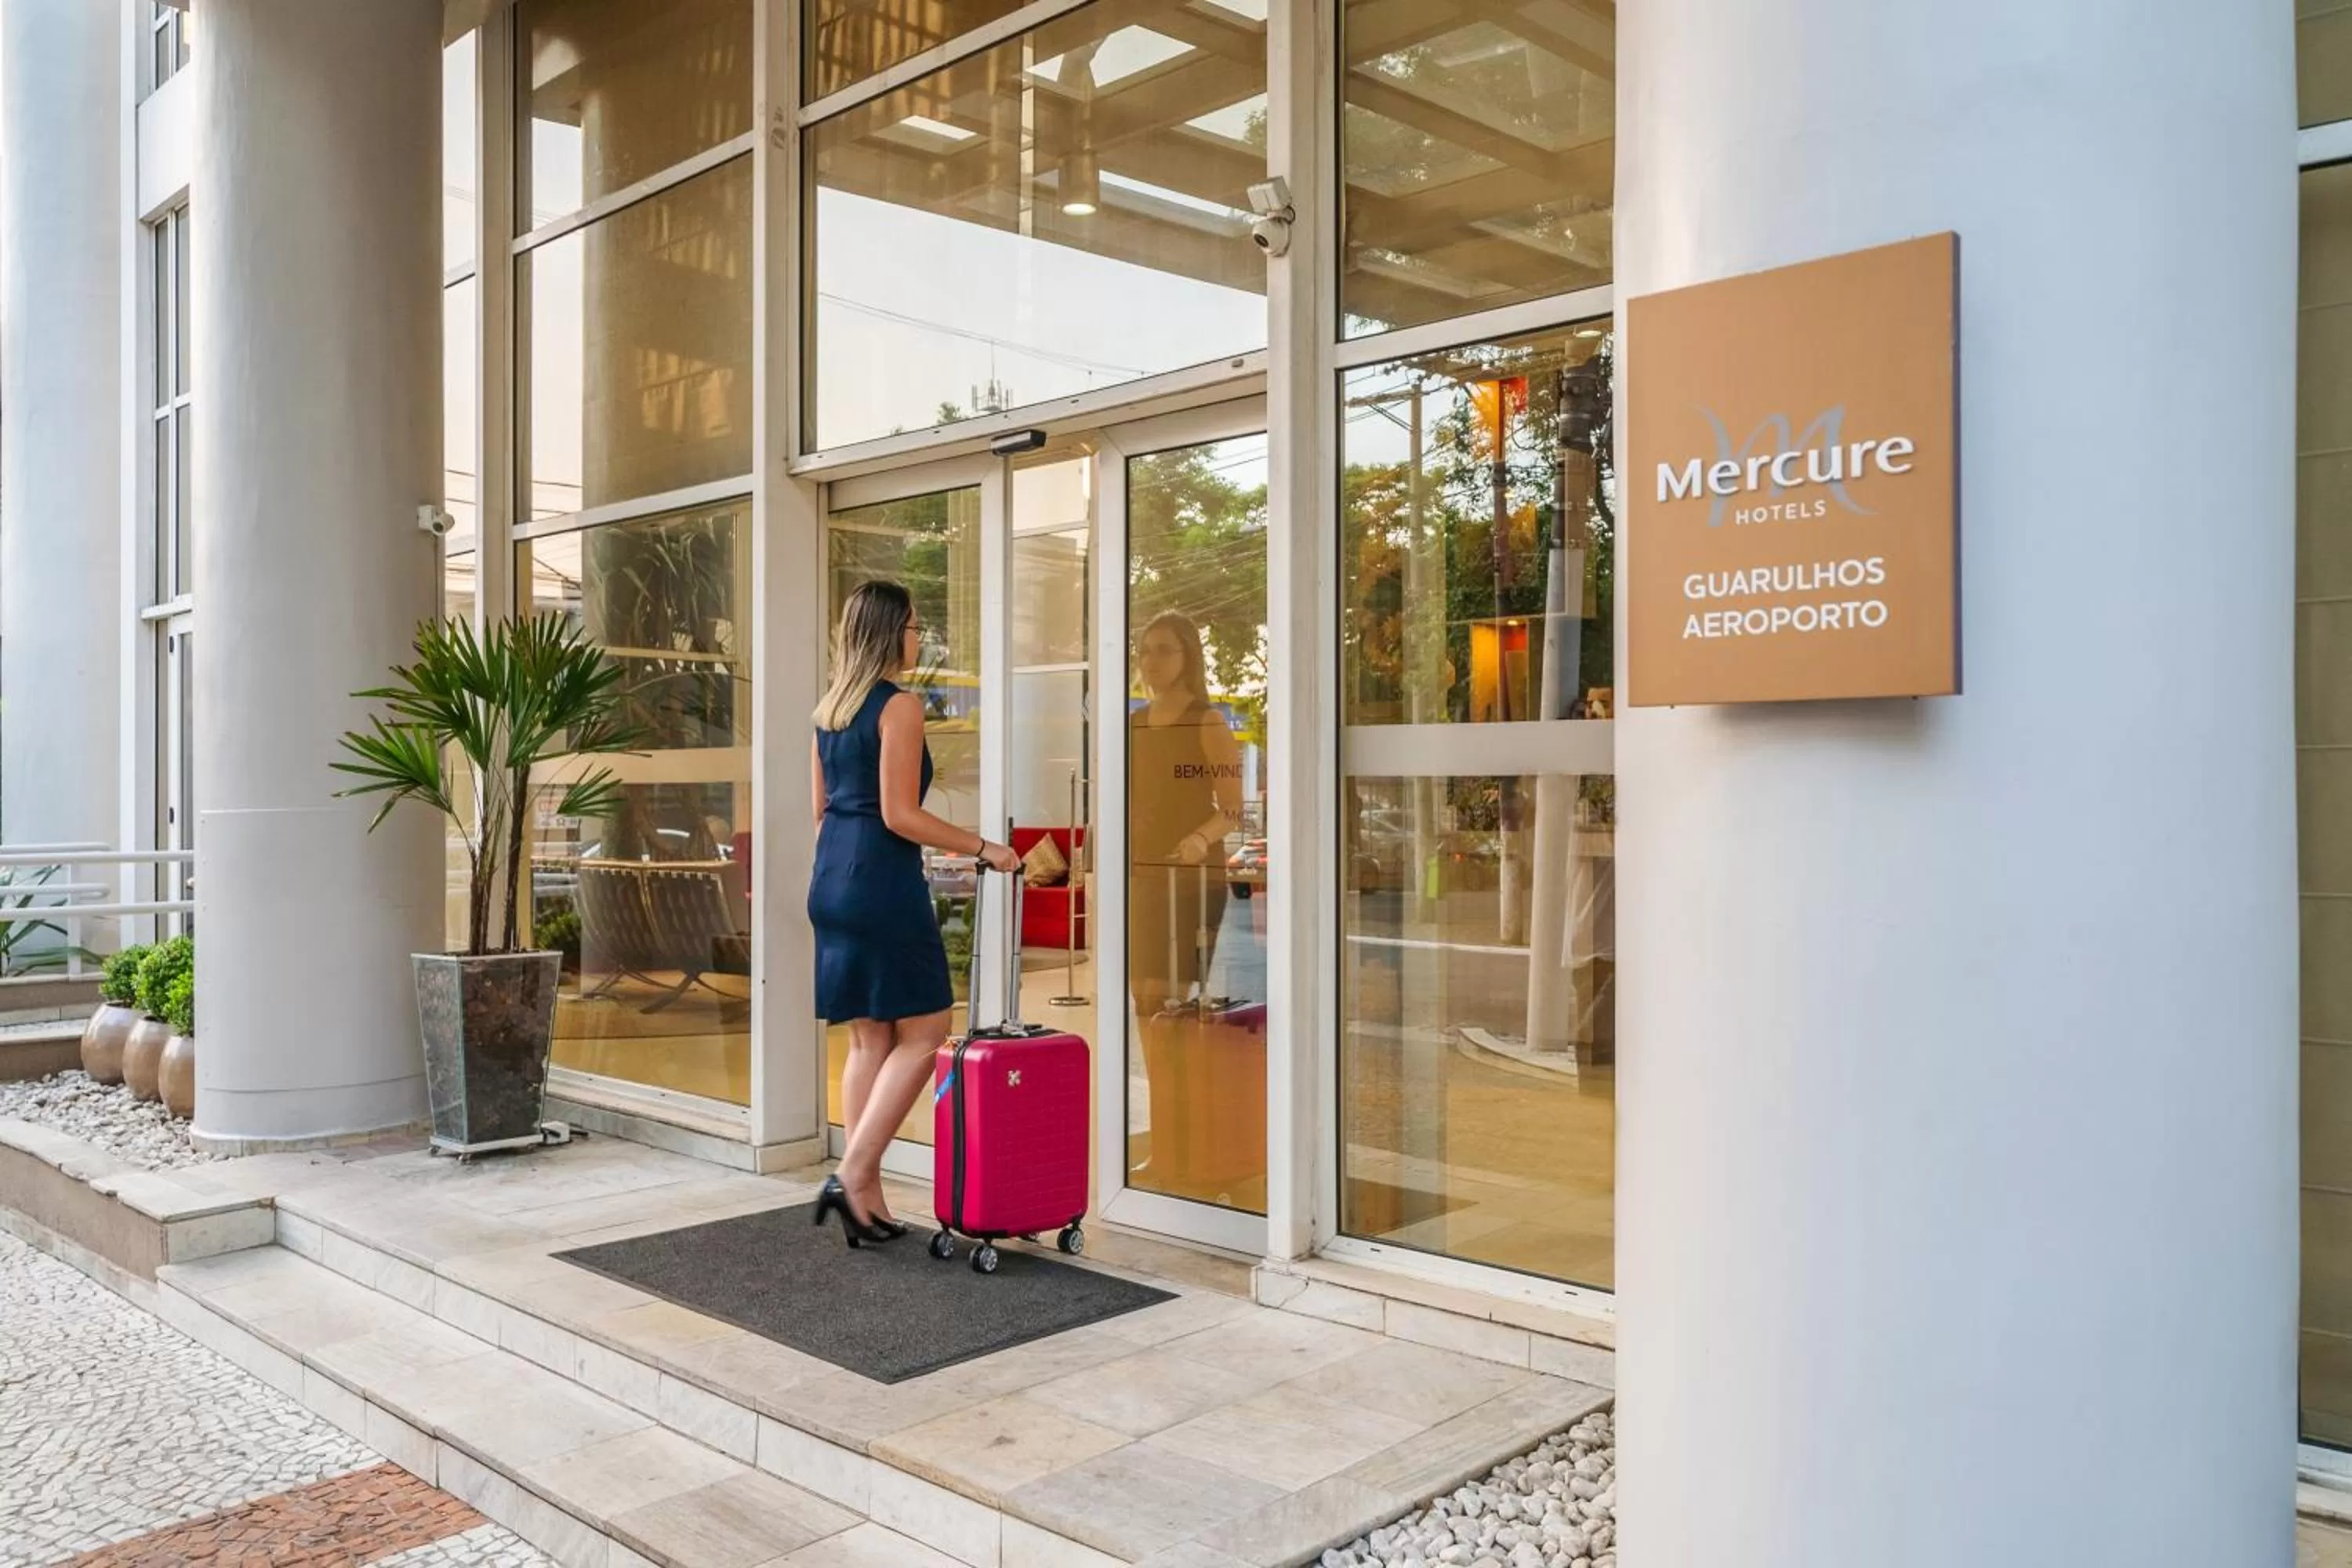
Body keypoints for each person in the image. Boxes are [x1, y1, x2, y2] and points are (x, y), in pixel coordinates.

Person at [808, 580, 1020, 1247]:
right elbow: (900, 815)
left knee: (870, 1037)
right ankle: (853, 1172)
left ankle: (864, 1200)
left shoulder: (828, 712)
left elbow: (823, 812)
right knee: (927, 1029)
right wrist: (986, 848)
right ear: (888, 633)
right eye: (912, 626)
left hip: (831, 880)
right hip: (879, 878)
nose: (918, 637)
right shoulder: (897, 707)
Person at [1127, 611, 1245, 1192]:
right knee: (1146, 1010)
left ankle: (1187, 1146)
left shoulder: (1208, 721)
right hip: (1142, 879)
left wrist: (1198, 840)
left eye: (1165, 650)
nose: (1152, 661)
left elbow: (1232, 809)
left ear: (1187, 658)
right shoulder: (1135, 725)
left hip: (1191, 882)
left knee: (1172, 1012)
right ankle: (1166, 1142)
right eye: (1146, 650)